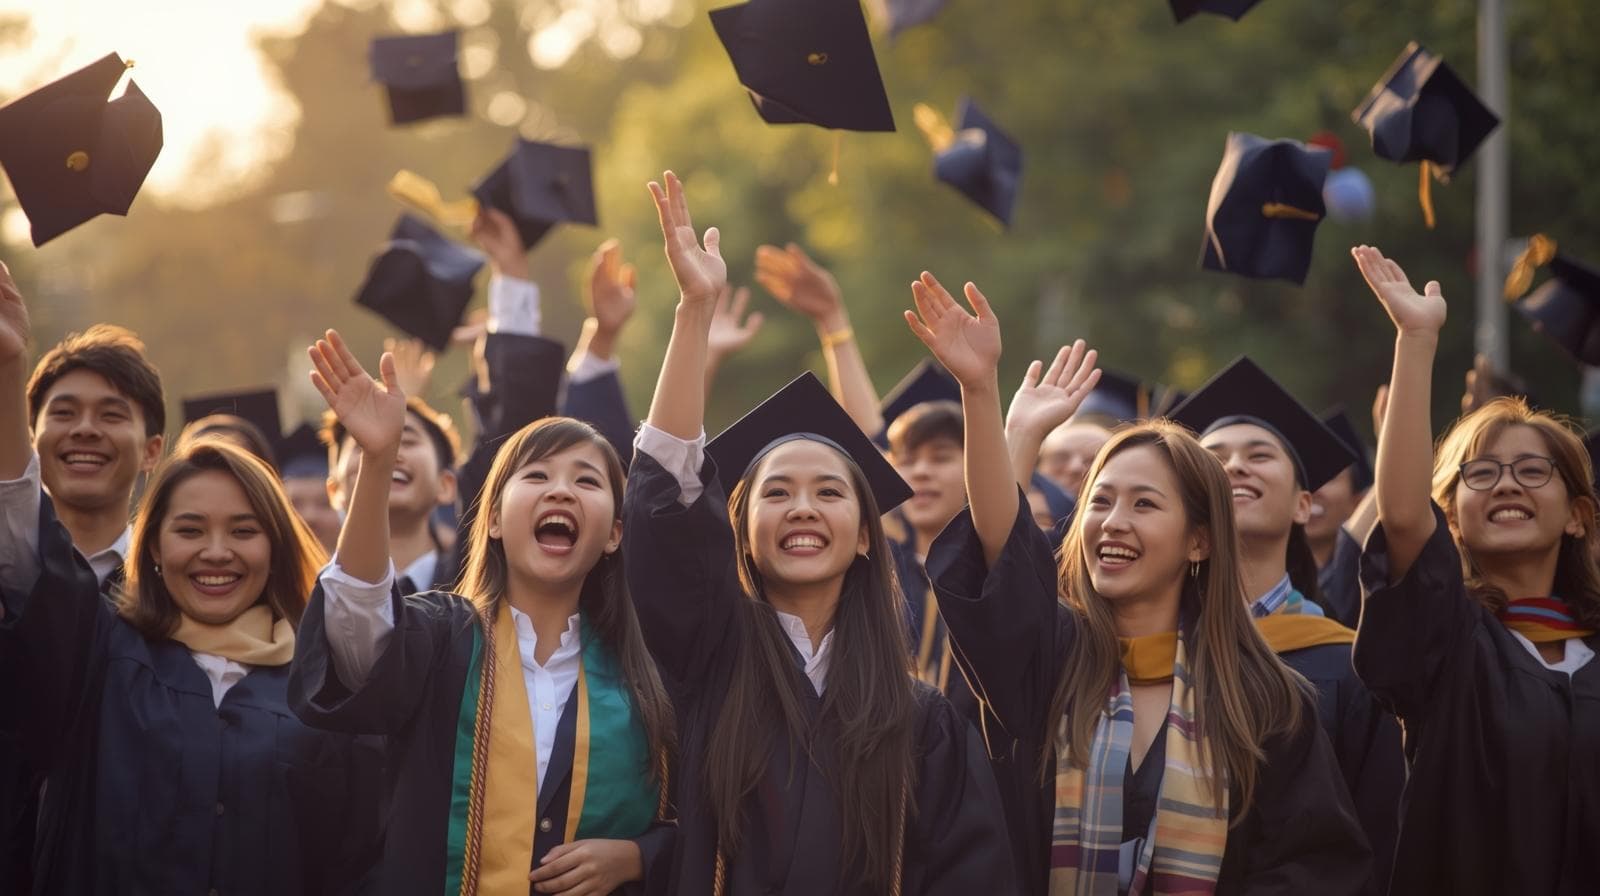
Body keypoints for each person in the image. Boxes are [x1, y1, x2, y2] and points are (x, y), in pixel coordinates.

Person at [909, 270, 1370, 895]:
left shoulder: (1264, 699)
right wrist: (985, 396)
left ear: (1200, 540)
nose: (1113, 522)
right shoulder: (1053, 662)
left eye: (1145, 505)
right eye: (1100, 502)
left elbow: (1309, 867)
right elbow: (1001, 550)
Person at [625, 170, 1015, 894]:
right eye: (776, 492)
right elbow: (667, 498)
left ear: (868, 535)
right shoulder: (707, 670)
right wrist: (694, 311)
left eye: (830, 492)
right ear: (740, 532)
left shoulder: (921, 721)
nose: (802, 506)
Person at [290, 331, 676, 894]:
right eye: (537, 476)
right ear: (492, 520)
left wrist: (642, 855)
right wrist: (376, 464)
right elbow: (357, 632)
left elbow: (707, 819)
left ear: (615, 534)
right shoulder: (442, 637)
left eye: (587, 481)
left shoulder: (646, 671)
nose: (561, 492)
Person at [1, 406, 382, 894]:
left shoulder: (320, 688)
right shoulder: (96, 651)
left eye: (244, 531)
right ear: (154, 545)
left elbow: (358, 860)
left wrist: (377, 460)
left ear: (275, 547)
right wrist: (9, 369)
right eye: (190, 530)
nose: (217, 551)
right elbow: (19, 539)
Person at [1352, 245, 1600, 895]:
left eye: (1532, 470)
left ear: (1576, 514)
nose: (1506, 485)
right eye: (1481, 473)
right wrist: (1416, 338)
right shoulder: (1451, 647)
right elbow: (1404, 516)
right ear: (1454, 519)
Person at [1171, 359, 1403, 893]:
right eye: (1216, 457)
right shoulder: (1147, 648)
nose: (1235, 467)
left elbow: (1377, 834)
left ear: (1305, 505)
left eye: (1259, 455)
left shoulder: (1349, 664)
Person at [1, 269, 166, 892]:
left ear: (151, 450)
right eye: (63, 413)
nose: (85, 430)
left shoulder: (182, 595)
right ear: (33, 438)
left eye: (110, 414)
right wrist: (9, 367)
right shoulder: (12, 575)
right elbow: (20, 533)